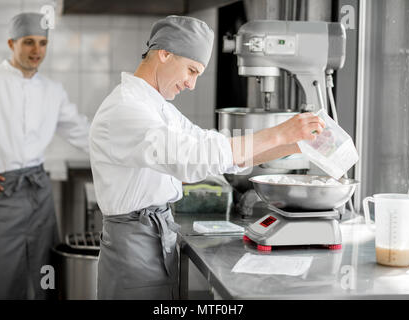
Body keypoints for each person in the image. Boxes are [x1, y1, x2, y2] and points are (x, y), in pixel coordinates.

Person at [89, 15, 325, 299]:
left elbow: (214, 146)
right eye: (191, 70)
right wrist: (279, 133)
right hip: (134, 246)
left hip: (153, 238)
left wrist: (297, 146)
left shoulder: (156, 106)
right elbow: (191, 159)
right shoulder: (126, 108)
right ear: (164, 54)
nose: (191, 84)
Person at [0, 12, 90, 299]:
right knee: (0, 279)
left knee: (45, 271)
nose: (36, 50)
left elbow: (83, 133)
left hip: (39, 191)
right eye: (28, 42)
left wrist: (131, 153)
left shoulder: (53, 91)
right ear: (11, 43)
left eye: (42, 43)